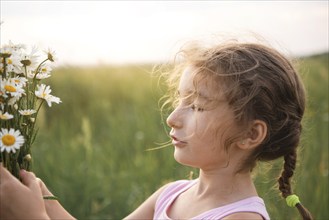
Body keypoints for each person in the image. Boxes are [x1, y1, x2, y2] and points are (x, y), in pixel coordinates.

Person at [0, 40, 313, 220]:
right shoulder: (171, 195)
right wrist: (43, 196)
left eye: (198, 106)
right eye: (180, 100)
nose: (173, 117)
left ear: (250, 135)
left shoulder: (239, 218)